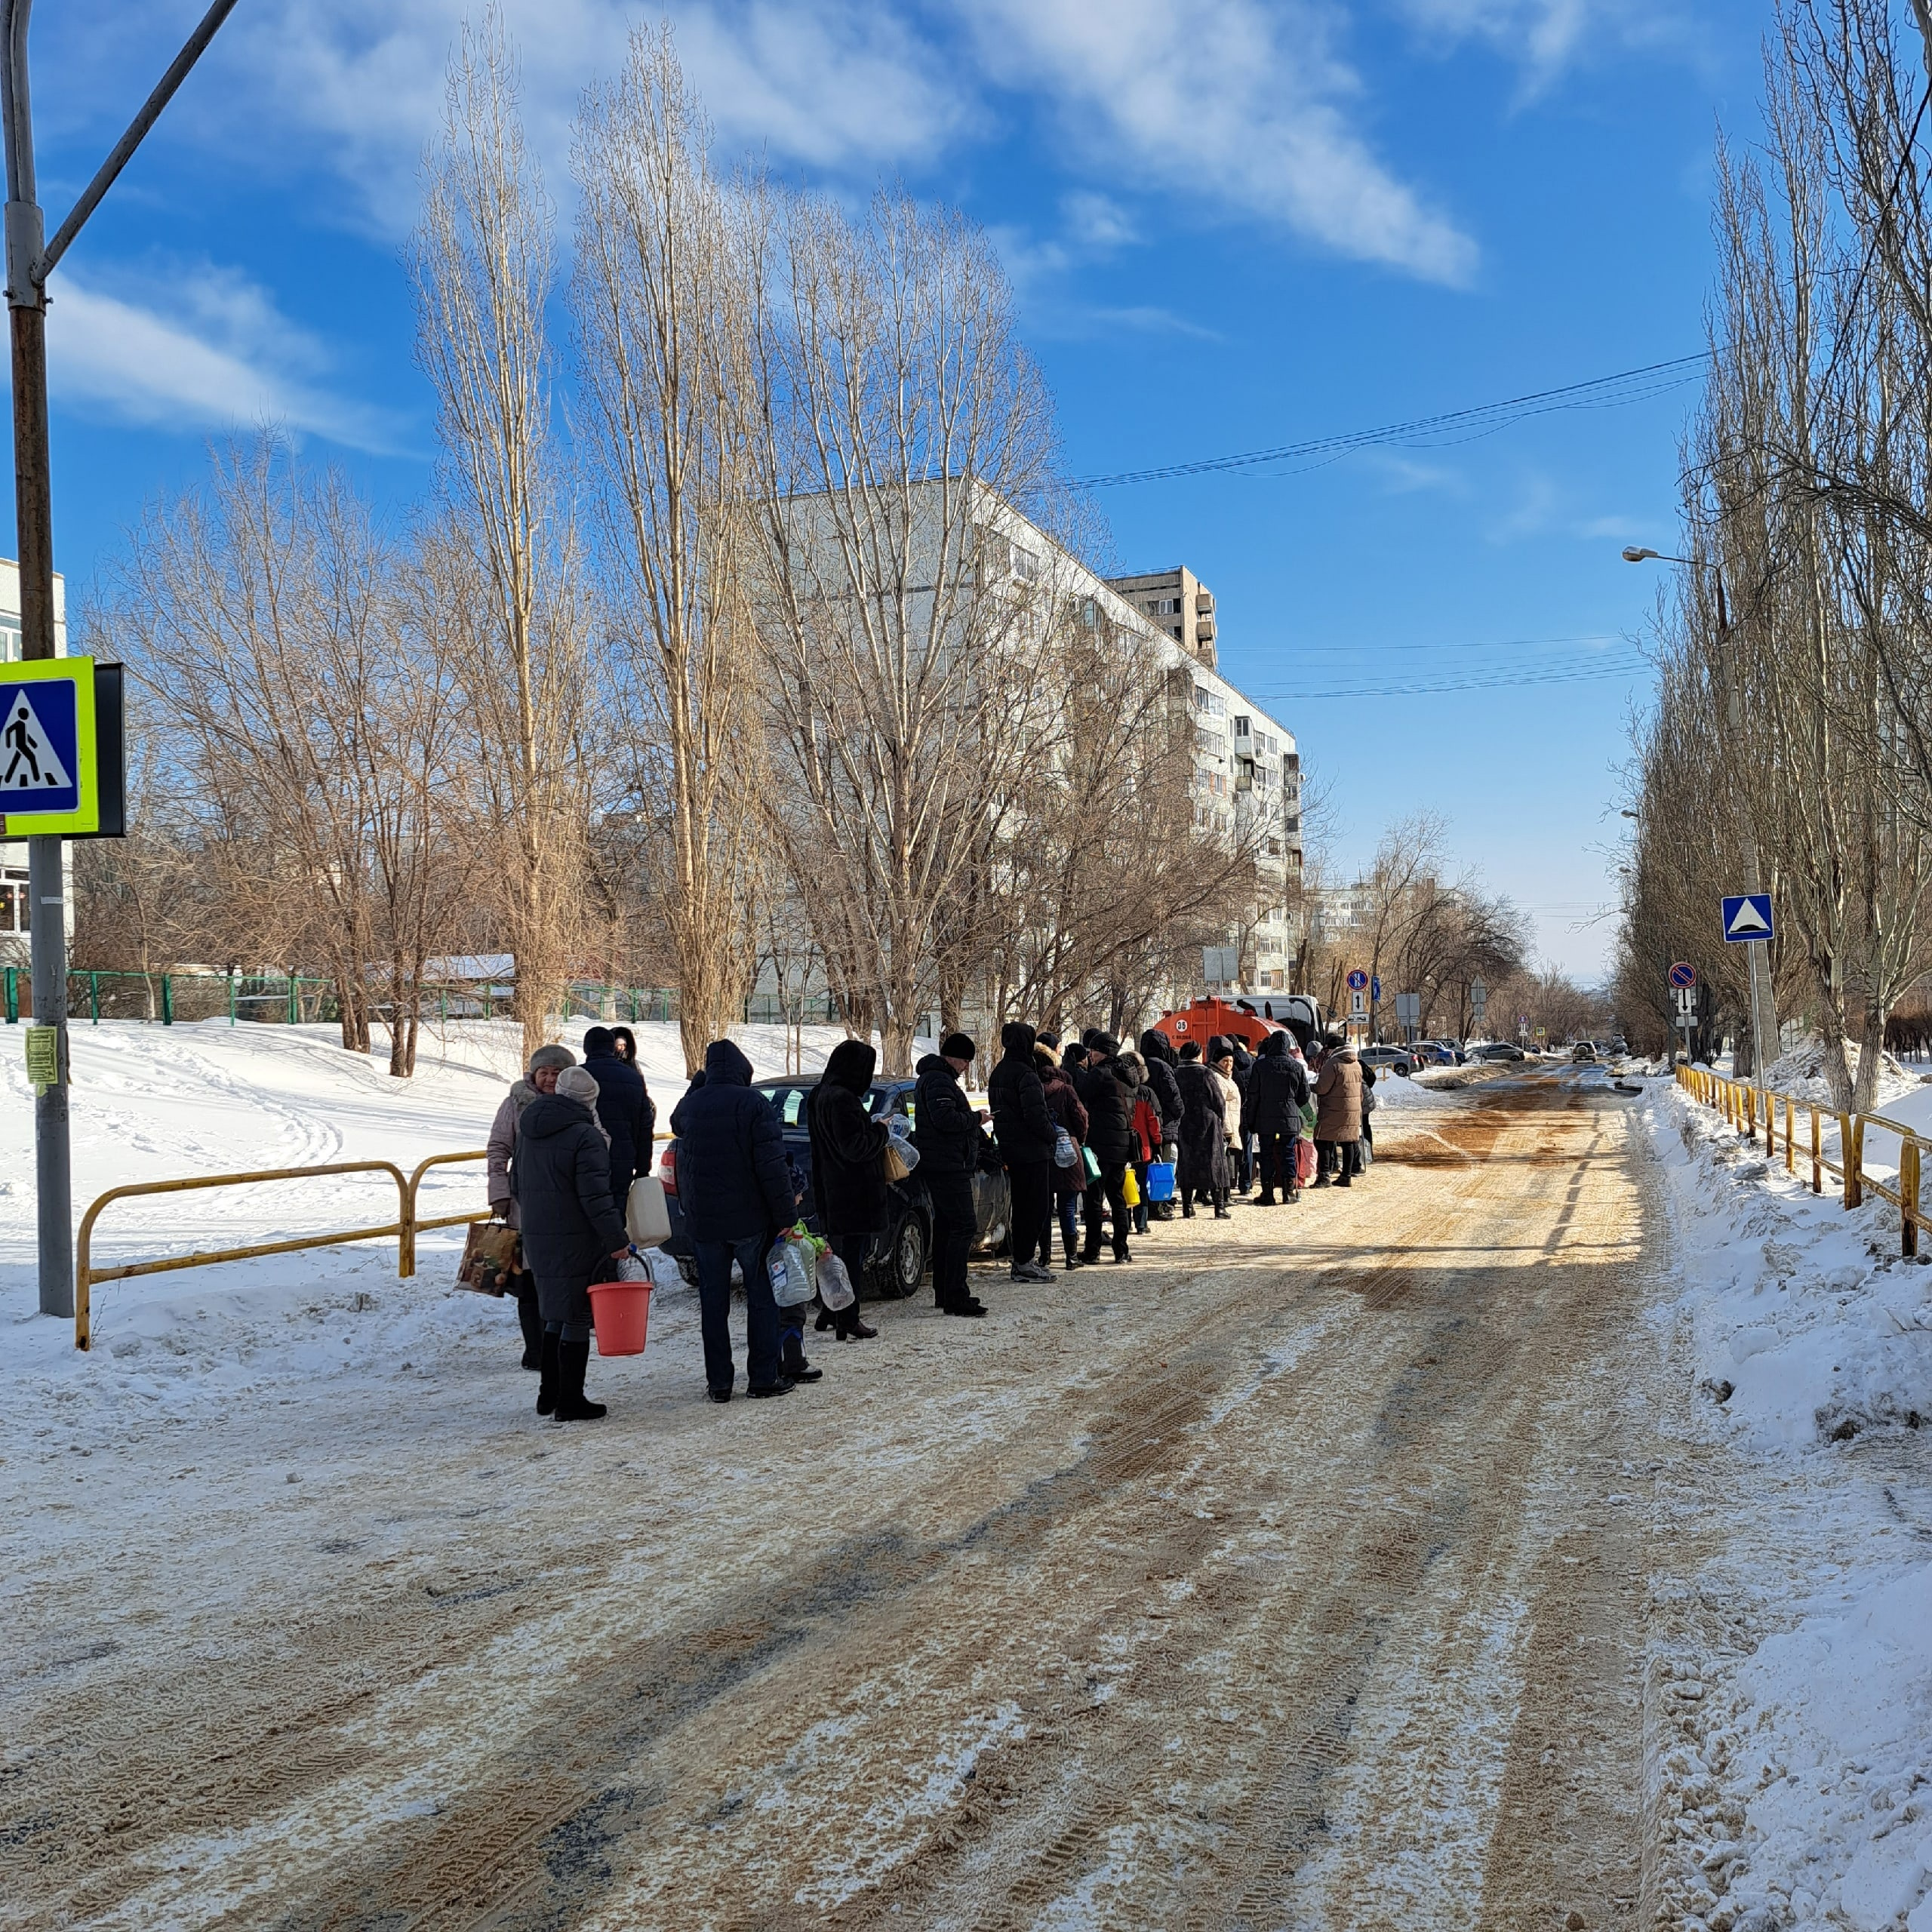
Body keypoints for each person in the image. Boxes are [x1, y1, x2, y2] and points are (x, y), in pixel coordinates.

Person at [670, 1039, 799, 1399]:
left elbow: (675, 1122)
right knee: (762, 1298)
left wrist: (698, 1084)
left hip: (705, 1224)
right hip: (750, 1222)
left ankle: (719, 1383)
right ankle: (762, 1378)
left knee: (713, 1304)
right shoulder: (754, 1104)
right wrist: (787, 1215)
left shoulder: (692, 1106)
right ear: (744, 1069)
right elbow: (772, 1167)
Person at [512, 1064, 631, 1422]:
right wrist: (616, 1240)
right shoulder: (585, 1136)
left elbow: (516, 1185)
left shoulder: (529, 1129)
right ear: (590, 1101)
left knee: (554, 1313)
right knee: (577, 1314)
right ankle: (570, 1400)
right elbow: (596, 1197)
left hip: (538, 1234)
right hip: (576, 1237)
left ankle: (548, 1395)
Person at [488, 1042, 576, 1371]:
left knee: (558, 1277)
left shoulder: (579, 1102)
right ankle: (535, 1350)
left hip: (565, 1203)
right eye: (545, 1072)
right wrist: (498, 1192)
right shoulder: (515, 1103)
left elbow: (599, 1141)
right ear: (533, 1074)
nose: (550, 1079)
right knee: (527, 1279)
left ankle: (557, 1346)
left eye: (557, 1073)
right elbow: (498, 1148)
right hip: (523, 1204)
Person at [805, 1039, 890, 1343]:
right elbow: (856, 1147)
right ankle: (848, 1318)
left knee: (836, 1255)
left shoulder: (818, 1095)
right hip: (854, 1192)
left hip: (831, 1187)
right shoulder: (844, 1100)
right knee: (852, 1258)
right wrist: (881, 1130)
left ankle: (832, 1310)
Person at [913, 1033, 989, 1316]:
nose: (967, 1066)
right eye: (965, 1060)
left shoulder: (934, 1079)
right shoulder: (938, 1081)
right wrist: (976, 1119)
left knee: (947, 1226)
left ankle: (945, 1292)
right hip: (947, 1164)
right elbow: (945, 1120)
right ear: (952, 1056)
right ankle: (956, 1294)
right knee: (963, 1225)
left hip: (942, 1163)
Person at [989, 1021, 1057, 1283]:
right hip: (1032, 1150)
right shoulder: (1026, 1074)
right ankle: (1024, 1261)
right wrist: (1053, 1135)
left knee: (1021, 1205)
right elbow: (1035, 1116)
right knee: (1037, 1207)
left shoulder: (999, 1072)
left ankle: (1022, 1258)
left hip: (1010, 1148)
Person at [1073, 1033, 1134, 1263]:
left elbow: (1081, 1092)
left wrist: (1076, 1068)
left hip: (1100, 1144)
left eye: (1094, 1051)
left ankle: (1092, 1251)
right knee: (1118, 1198)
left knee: (1094, 1200)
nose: (1090, 1055)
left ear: (1104, 1053)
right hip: (1122, 1145)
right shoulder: (1128, 1074)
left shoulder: (1101, 1073)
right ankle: (1122, 1249)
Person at [582, 1026, 653, 1207]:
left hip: (584, 1160)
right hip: (622, 1159)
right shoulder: (633, 1078)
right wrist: (643, 1167)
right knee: (616, 1212)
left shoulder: (577, 1076)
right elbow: (645, 1125)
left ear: (586, 1048)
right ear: (611, 1047)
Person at [1036, 1039, 1090, 1271]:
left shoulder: (1034, 1089)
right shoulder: (1067, 1090)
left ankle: (1045, 1256)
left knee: (1045, 1207)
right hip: (1069, 1149)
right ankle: (1071, 1256)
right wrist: (1077, 1138)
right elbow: (1082, 1118)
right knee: (1068, 1206)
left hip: (1043, 1152)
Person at [1247, 1030, 1310, 1206]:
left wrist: (1251, 1121)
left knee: (1266, 1154)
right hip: (1289, 1118)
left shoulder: (1260, 1066)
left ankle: (1267, 1194)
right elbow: (1304, 1096)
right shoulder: (1296, 1067)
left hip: (1265, 1118)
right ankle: (1288, 1193)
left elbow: (1253, 1096)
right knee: (1288, 1153)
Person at [1174, 1041, 1231, 1217]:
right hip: (1207, 1122)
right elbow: (1218, 1100)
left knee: (1187, 1162)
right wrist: (1220, 1118)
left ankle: (1187, 1207)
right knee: (1214, 1163)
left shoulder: (1176, 1073)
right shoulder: (1205, 1073)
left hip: (1184, 1122)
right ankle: (1219, 1207)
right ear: (1198, 1055)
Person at [1138, 1030, 1186, 1220]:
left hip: (1142, 1125)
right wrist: (1177, 1114)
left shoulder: (1139, 1063)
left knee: (1145, 1168)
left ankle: (1147, 1206)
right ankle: (1158, 1205)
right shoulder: (1164, 1067)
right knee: (1163, 1168)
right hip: (1164, 1125)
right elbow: (1174, 1098)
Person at [1313, 1035, 1364, 1187]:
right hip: (1353, 1108)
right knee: (1348, 1140)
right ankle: (1346, 1176)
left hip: (1334, 1107)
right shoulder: (1356, 1064)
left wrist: (1311, 1087)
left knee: (1322, 1139)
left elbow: (1322, 1088)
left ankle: (1324, 1176)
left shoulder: (1333, 1064)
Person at [1120, 1049, 1160, 1237]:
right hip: (1143, 1147)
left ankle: (1125, 1222)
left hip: (1120, 1146)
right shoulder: (1146, 1093)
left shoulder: (1116, 1089)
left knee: (1122, 1184)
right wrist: (1157, 1143)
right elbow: (1153, 1121)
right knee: (1142, 1186)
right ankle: (1141, 1223)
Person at [1210, 1048, 1243, 1220]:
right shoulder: (1217, 1078)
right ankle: (1223, 1196)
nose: (1229, 1065)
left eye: (1231, 1061)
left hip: (1231, 1122)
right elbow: (1220, 1104)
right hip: (1225, 1125)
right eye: (1225, 1061)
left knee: (1229, 1162)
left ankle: (1226, 1194)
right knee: (1224, 1163)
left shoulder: (1226, 1077)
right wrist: (1226, 1127)